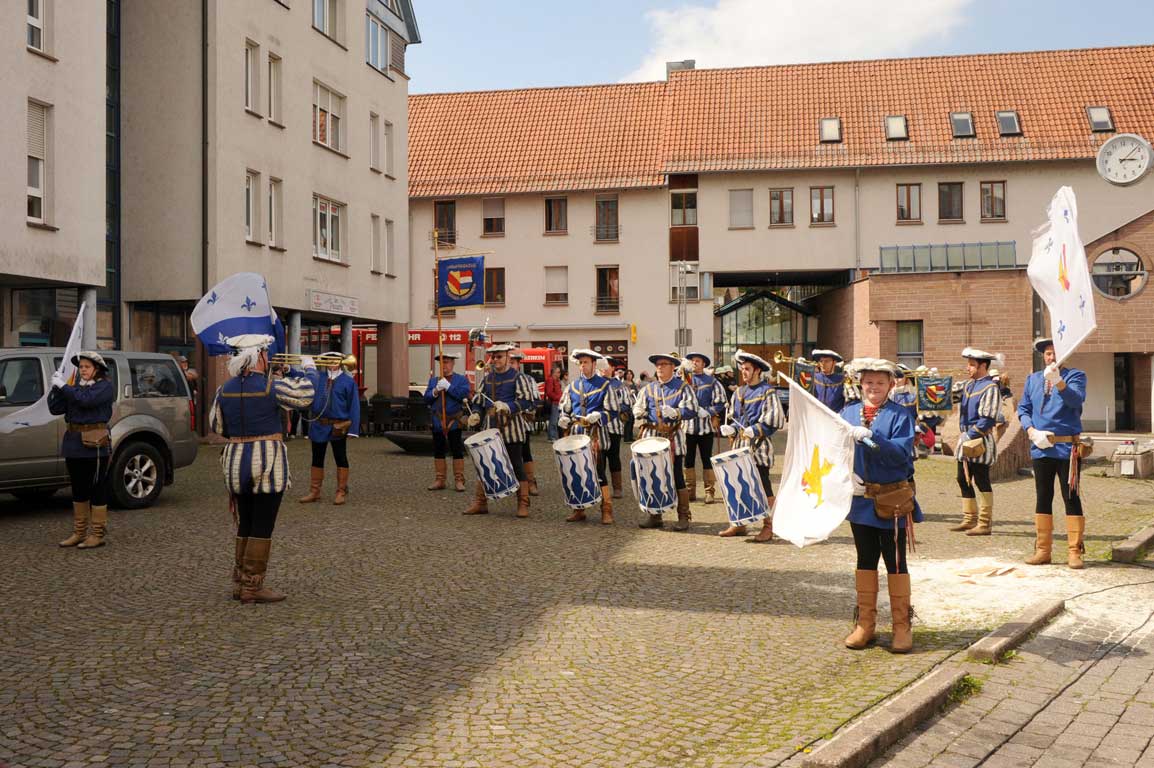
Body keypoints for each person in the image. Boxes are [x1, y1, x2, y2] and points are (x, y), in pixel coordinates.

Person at [208, 335, 315, 603]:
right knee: (263, 524)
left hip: (234, 463)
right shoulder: (272, 386)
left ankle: (240, 580)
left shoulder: (224, 389)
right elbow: (306, 396)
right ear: (260, 356)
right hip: (267, 464)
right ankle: (252, 586)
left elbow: (217, 426)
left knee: (245, 521)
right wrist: (308, 370)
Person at [840, 359, 922, 654]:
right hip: (860, 500)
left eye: (880, 382)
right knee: (865, 559)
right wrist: (845, 477)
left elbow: (901, 456)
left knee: (895, 561)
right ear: (860, 383)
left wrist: (872, 437)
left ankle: (901, 626)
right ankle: (866, 624)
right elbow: (834, 449)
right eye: (869, 382)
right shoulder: (848, 412)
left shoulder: (900, 414)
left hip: (892, 501)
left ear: (891, 385)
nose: (874, 388)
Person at [1017, 338, 1088, 568]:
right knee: (1043, 496)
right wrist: (1030, 430)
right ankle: (1043, 550)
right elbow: (1023, 408)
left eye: (1055, 353)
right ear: (1043, 356)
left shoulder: (1075, 376)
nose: (1051, 357)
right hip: (1041, 446)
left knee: (1071, 497)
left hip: (1067, 448)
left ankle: (1074, 551)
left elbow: (1076, 400)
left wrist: (1058, 382)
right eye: (1048, 353)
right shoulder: (1033, 379)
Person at [49, 352, 116, 550]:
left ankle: (97, 533)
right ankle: (79, 532)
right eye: (81, 367)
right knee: (78, 488)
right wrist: (55, 388)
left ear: (97, 369)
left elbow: (85, 400)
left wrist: (64, 387)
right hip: (74, 442)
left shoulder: (104, 386)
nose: (82, 370)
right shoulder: (75, 388)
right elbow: (55, 408)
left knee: (97, 487)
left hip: (95, 443)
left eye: (86, 366)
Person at [718, 350, 785, 541]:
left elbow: (775, 419)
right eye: (742, 369)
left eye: (747, 369)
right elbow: (734, 417)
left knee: (763, 487)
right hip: (739, 446)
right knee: (738, 484)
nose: (743, 372)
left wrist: (755, 430)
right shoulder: (739, 392)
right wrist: (730, 428)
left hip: (759, 447)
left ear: (757, 371)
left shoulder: (767, 391)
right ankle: (740, 524)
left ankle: (769, 526)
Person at [464, 344, 537, 517]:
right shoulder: (488, 379)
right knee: (485, 465)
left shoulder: (519, 378)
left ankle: (523, 503)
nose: (496, 360)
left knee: (517, 465)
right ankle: (481, 503)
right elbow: (479, 401)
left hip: (512, 429)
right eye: (494, 357)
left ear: (508, 358)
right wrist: (475, 413)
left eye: (499, 357)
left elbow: (527, 401)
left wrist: (508, 406)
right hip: (491, 428)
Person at [633, 353, 697, 530]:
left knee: (677, 477)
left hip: (673, 438)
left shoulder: (683, 387)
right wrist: (638, 411)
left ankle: (683, 516)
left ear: (673, 367)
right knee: (652, 476)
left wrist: (677, 413)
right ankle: (655, 515)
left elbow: (693, 409)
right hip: (651, 437)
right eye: (657, 365)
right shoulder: (648, 388)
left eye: (664, 364)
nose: (660, 367)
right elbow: (638, 405)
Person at [558, 349, 621, 524]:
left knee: (599, 472)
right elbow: (565, 407)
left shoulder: (605, 385)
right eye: (580, 362)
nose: (582, 365)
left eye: (586, 362)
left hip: (596, 435)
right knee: (577, 471)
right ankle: (579, 509)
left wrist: (600, 415)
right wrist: (564, 417)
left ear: (594, 364)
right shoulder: (573, 385)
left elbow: (614, 411)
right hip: (576, 434)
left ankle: (606, 509)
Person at [952, 347, 1003, 535]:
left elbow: (988, 418)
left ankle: (984, 522)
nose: (968, 368)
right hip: (965, 438)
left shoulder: (990, 387)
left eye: (972, 365)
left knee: (981, 480)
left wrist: (970, 434)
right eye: (968, 364)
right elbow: (947, 397)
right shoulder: (967, 385)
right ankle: (969, 518)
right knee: (962, 478)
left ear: (983, 366)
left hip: (979, 439)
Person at [299, 352, 360, 506]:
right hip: (319, 424)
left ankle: (341, 491)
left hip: (338, 425)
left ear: (340, 362)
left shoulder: (348, 381)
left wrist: (353, 429)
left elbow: (354, 406)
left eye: (334, 360)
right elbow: (299, 376)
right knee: (316, 458)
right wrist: (287, 369)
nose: (332, 363)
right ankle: (315, 491)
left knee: (340, 457)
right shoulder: (318, 377)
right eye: (328, 360)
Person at [682, 352, 727, 504]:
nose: (694, 363)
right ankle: (690, 491)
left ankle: (709, 492)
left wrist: (708, 411)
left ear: (703, 364)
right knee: (688, 460)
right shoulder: (683, 379)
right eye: (692, 361)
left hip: (705, 427)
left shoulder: (712, 381)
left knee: (706, 459)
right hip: (687, 427)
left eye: (698, 361)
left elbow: (720, 402)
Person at [424, 352, 471, 492]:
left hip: (454, 421)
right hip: (438, 420)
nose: (444, 365)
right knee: (438, 450)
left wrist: (449, 387)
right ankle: (440, 480)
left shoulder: (461, 380)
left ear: (453, 363)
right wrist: (435, 391)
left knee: (457, 450)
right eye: (442, 362)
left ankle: (459, 480)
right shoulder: (434, 381)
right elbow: (426, 399)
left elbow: (463, 395)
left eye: (447, 362)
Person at [510, 349, 542, 496]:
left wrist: (525, 408)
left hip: (522, 422)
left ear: (518, 364)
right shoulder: (497, 379)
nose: (510, 365)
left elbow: (535, 400)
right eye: (508, 362)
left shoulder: (528, 380)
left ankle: (530, 481)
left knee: (525, 452)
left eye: (513, 362)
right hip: (504, 424)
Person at [604, 360, 631, 496]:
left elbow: (627, 404)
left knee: (614, 456)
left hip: (614, 426)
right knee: (598, 458)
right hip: (598, 427)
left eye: (607, 365)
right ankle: (602, 488)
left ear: (613, 368)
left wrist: (614, 408)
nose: (603, 368)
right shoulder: (596, 383)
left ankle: (617, 488)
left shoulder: (619, 385)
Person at [545, 362, 564, 441]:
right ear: (554, 373)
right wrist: (558, 398)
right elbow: (549, 392)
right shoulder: (550, 380)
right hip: (554, 403)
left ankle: (553, 436)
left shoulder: (556, 380)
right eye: (558, 372)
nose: (559, 374)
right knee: (553, 421)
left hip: (557, 402)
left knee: (555, 420)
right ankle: (552, 437)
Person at [622, 369, 639, 441]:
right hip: (627, 405)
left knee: (632, 421)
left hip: (634, 404)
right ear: (625, 375)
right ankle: (626, 437)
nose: (629, 375)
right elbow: (622, 394)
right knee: (627, 422)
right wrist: (629, 393)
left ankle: (630, 437)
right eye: (628, 374)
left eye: (630, 374)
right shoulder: (623, 383)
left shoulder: (633, 383)